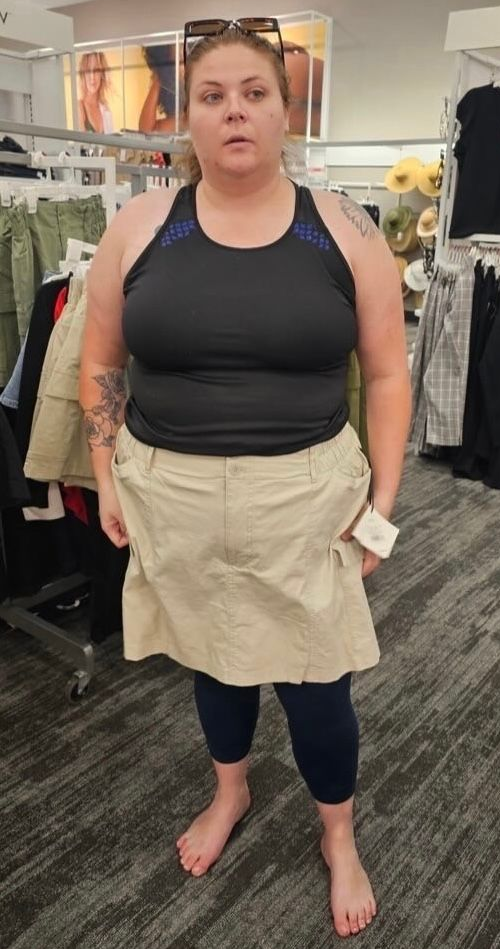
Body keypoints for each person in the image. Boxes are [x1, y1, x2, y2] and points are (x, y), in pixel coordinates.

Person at [80, 20, 411, 940]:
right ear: (188, 118)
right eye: (214, 96)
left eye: (254, 94)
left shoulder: (342, 227)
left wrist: (381, 508)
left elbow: (387, 374)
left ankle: (337, 834)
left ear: (284, 110)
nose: (235, 112)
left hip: (308, 498)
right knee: (213, 656)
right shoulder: (139, 225)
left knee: (317, 683)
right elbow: (101, 359)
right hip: (169, 491)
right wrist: (106, 473)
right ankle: (231, 792)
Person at [78, 51, 114, 134]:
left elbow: (111, 145)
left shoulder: (106, 110)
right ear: (83, 74)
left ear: (102, 74)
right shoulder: (80, 107)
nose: (92, 77)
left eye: (96, 70)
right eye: (88, 70)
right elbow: (80, 144)